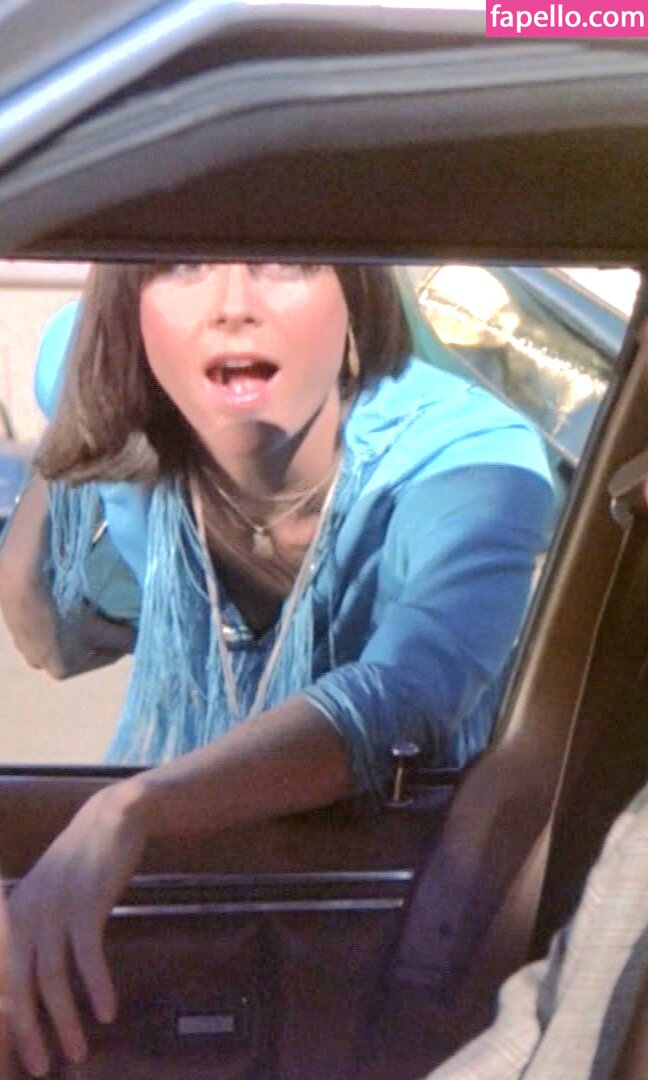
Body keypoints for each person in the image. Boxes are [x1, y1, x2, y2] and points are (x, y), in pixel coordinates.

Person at [0, 262, 553, 1076]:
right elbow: (43, 631)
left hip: (398, 901)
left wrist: (129, 810)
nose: (233, 307)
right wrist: (74, 456)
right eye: (182, 266)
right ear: (128, 317)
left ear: (356, 296)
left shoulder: (471, 464)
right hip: (208, 875)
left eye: (285, 262)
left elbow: (406, 694)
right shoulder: (81, 364)